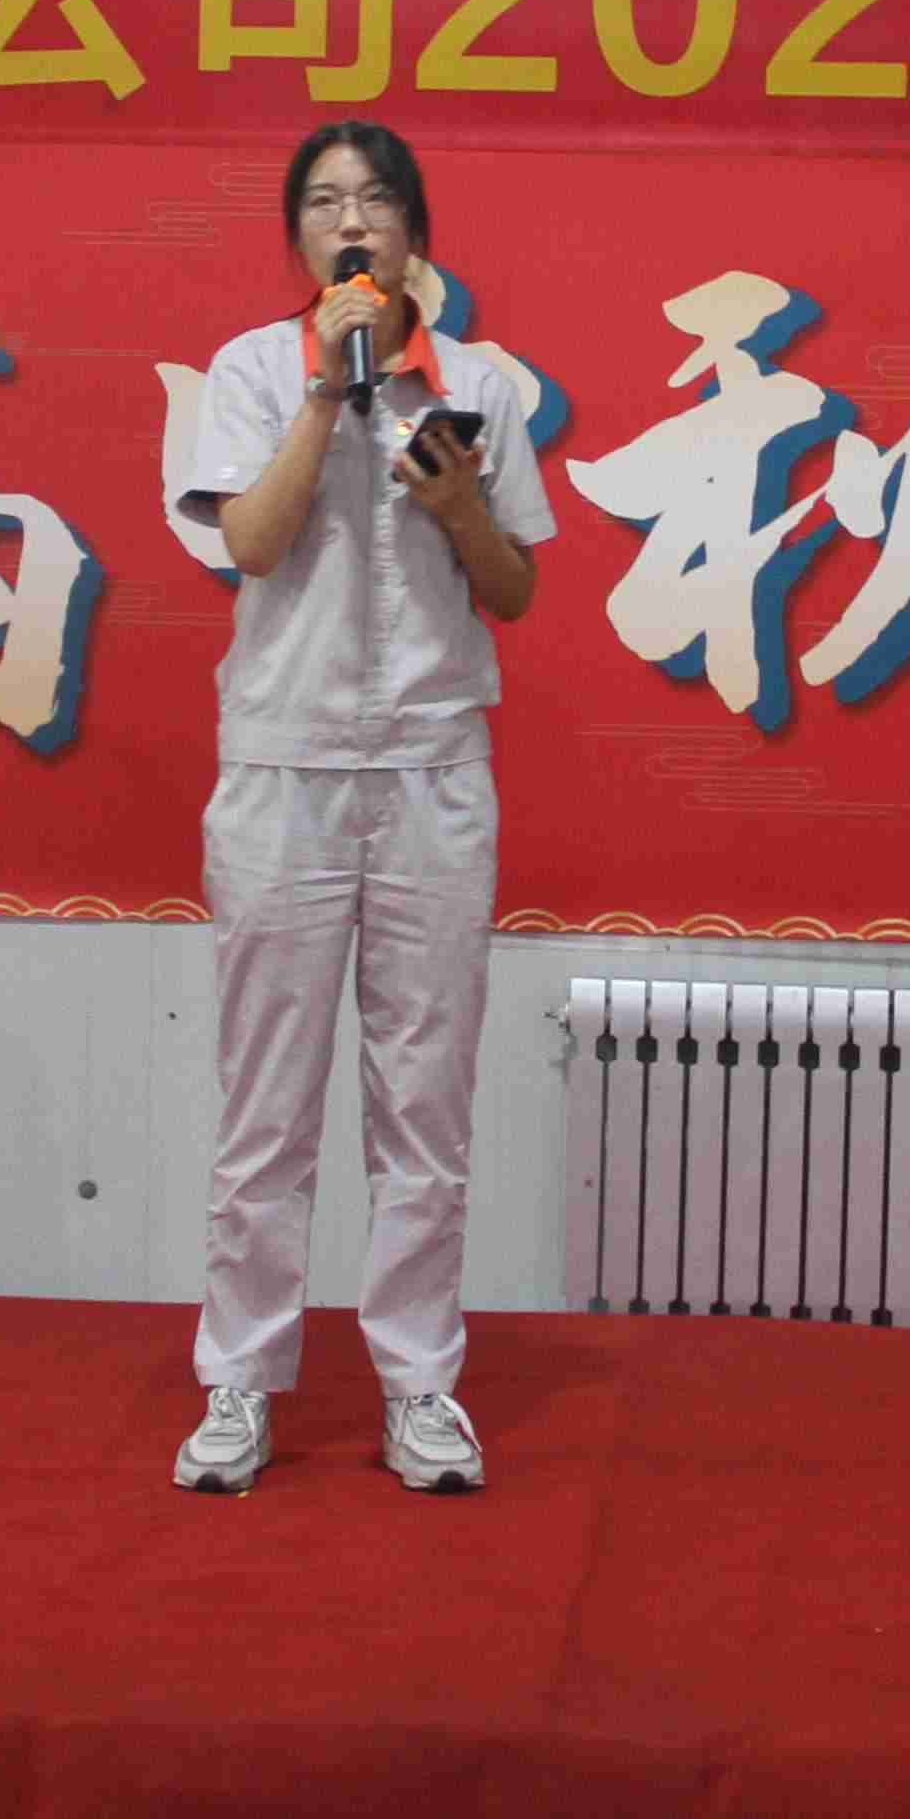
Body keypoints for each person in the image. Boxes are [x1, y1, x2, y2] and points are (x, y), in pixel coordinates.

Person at [166, 121, 556, 1496]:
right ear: (300, 240)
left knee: (426, 1105)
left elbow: (514, 589)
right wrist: (330, 396)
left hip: (434, 772)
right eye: (326, 202)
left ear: (414, 237)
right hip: (285, 768)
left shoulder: (486, 385)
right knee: (266, 1109)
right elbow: (251, 542)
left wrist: (459, 508)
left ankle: (420, 1387)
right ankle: (239, 1383)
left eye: (377, 201)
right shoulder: (249, 372)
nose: (352, 221)